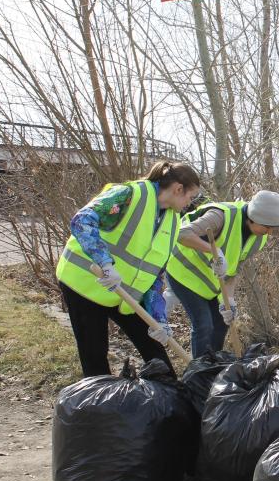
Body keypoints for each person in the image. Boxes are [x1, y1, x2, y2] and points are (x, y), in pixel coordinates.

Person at [56, 160, 201, 377]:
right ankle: (100, 405)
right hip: (85, 283)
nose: (190, 203)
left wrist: (159, 320)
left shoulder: (172, 221)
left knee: (155, 350)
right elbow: (82, 220)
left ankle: (172, 404)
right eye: (190, 197)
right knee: (94, 354)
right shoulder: (129, 194)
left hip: (124, 294)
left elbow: (155, 274)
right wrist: (104, 263)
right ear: (178, 189)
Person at [164, 190, 279, 357]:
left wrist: (229, 300)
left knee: (222, 322)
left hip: (210, 283)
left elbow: (235, 269)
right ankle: (199, 374)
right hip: (183, 273)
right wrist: (214, 252)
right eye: (267, 227)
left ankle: (212, 365)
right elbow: (182, 234)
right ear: (253, 218)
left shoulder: (259, 237)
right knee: (203, 324)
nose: (269, 232)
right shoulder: (221, 216)